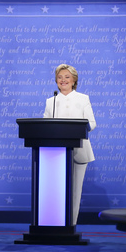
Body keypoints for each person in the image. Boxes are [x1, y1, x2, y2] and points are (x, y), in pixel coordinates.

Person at [43, 63, 96, 225]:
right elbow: (43, 126)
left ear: (74, 80)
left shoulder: (83, 99)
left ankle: (70, 225)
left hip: (79, 151)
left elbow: (92, 123)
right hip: (55, 153)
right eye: (59, 77)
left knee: (75, 191)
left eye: (67, 77)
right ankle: (55, 224)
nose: (63, 80)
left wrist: (78, 127)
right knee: (56, 191)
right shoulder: (51, 101)